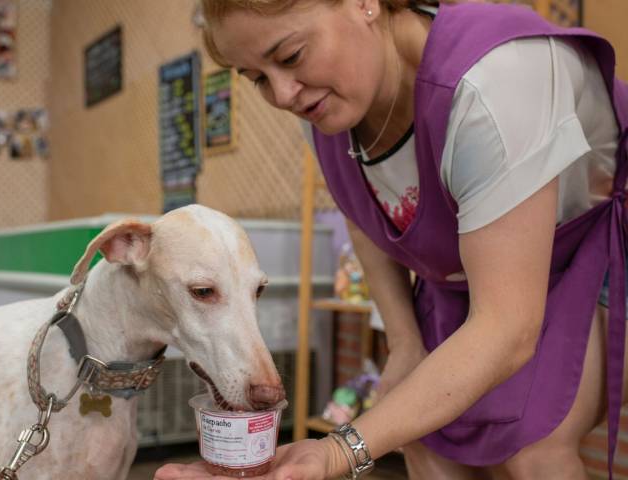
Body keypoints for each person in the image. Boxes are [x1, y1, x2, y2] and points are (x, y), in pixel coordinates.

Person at [156, 0, 628, 478]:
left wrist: (339, 451)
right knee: (421, 435)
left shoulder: (493, 80)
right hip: (475, 270)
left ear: (365, 3)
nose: (282, 93)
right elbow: (364, 211)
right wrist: (404, 340)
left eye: (292, 55)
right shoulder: (323, 108)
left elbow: (507, 329)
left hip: (595, 242)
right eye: (255, 77)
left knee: (533, 447)